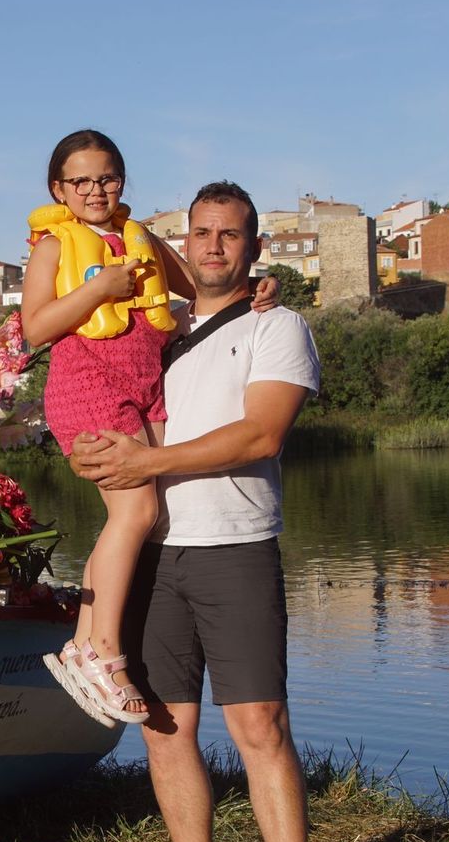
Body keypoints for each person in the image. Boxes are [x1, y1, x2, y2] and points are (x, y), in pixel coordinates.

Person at [71, 180, 324, 842]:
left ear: (254, 247)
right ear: (187, 243)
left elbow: (260, 434)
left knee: (260, 729)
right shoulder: (156, 325)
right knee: (165, 727)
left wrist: (150, 458)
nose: (216, 247)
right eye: (204, 234)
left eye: (232, 235)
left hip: (238, 548)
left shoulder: (277, 325)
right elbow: (106, 396)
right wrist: (97, 452)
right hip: (157, 553)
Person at [21, 131, 278, 725]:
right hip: (89, 384)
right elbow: (34, 328)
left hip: (143, 384)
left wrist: (261, 286)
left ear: (122, 180)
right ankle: (103, 651)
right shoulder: (54, 246)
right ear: (59, 188)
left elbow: (201, 288)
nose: (95, 190)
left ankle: (82, 639)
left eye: (107, 177)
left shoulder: (140, 238)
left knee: (143, 513)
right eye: (81, 181)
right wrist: (97, 289)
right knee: (134, 514)